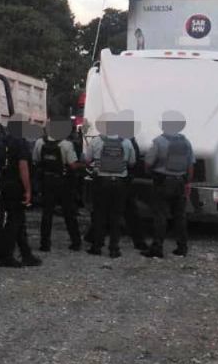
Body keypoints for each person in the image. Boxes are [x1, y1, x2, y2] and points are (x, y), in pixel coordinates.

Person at [143, 110, 195, 258]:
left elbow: (148, 163)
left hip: (162, 182)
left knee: (160, 216)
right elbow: (191, 165)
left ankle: (157, 248)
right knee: (180, 216)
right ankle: (182, 248)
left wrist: (150, 172)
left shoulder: (159, 142)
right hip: (180, 183)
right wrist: (187, 182)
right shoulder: (186, 142)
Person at [83, 113, 136, 258]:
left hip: (101, 181)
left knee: (100, 215)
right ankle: (114, 248)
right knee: (116, 216)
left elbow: (87, 160)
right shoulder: (126, 142)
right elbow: (132, 162)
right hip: (120, 183)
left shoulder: (96, 141)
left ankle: (97, 246)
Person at [34, 117, 83, 252]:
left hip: (46, 181)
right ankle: (75, 242)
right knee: (69, 213)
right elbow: (72, 166)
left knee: (47, 213)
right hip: (63, 182)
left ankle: (45, 244)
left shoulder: (39, 142)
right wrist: (83, 164)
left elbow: (36, 160)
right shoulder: (66, 145)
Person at [0, 119, 42, 267]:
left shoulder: (4, 142)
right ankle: (7, 256)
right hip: (17, 185)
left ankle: (26, 254)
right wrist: (28, 190)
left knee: (19, 221)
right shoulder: (20, 143)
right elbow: (23, 167)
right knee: (14, 221)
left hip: (5, 184)